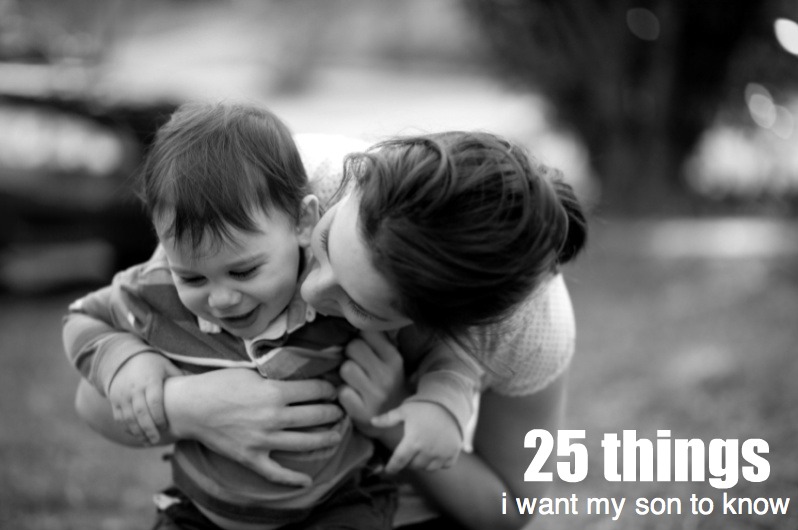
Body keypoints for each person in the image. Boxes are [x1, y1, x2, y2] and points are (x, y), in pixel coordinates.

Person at [68, 130, 587, 530]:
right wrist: (189, 407)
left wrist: (391, 420)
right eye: (325, 243)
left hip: (377, 503)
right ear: (323, 205)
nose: (314, 292)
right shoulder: (265, 193)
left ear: (431, 327)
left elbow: (510, 510)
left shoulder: (525, 331)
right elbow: (93, 401)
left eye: (357, 305)